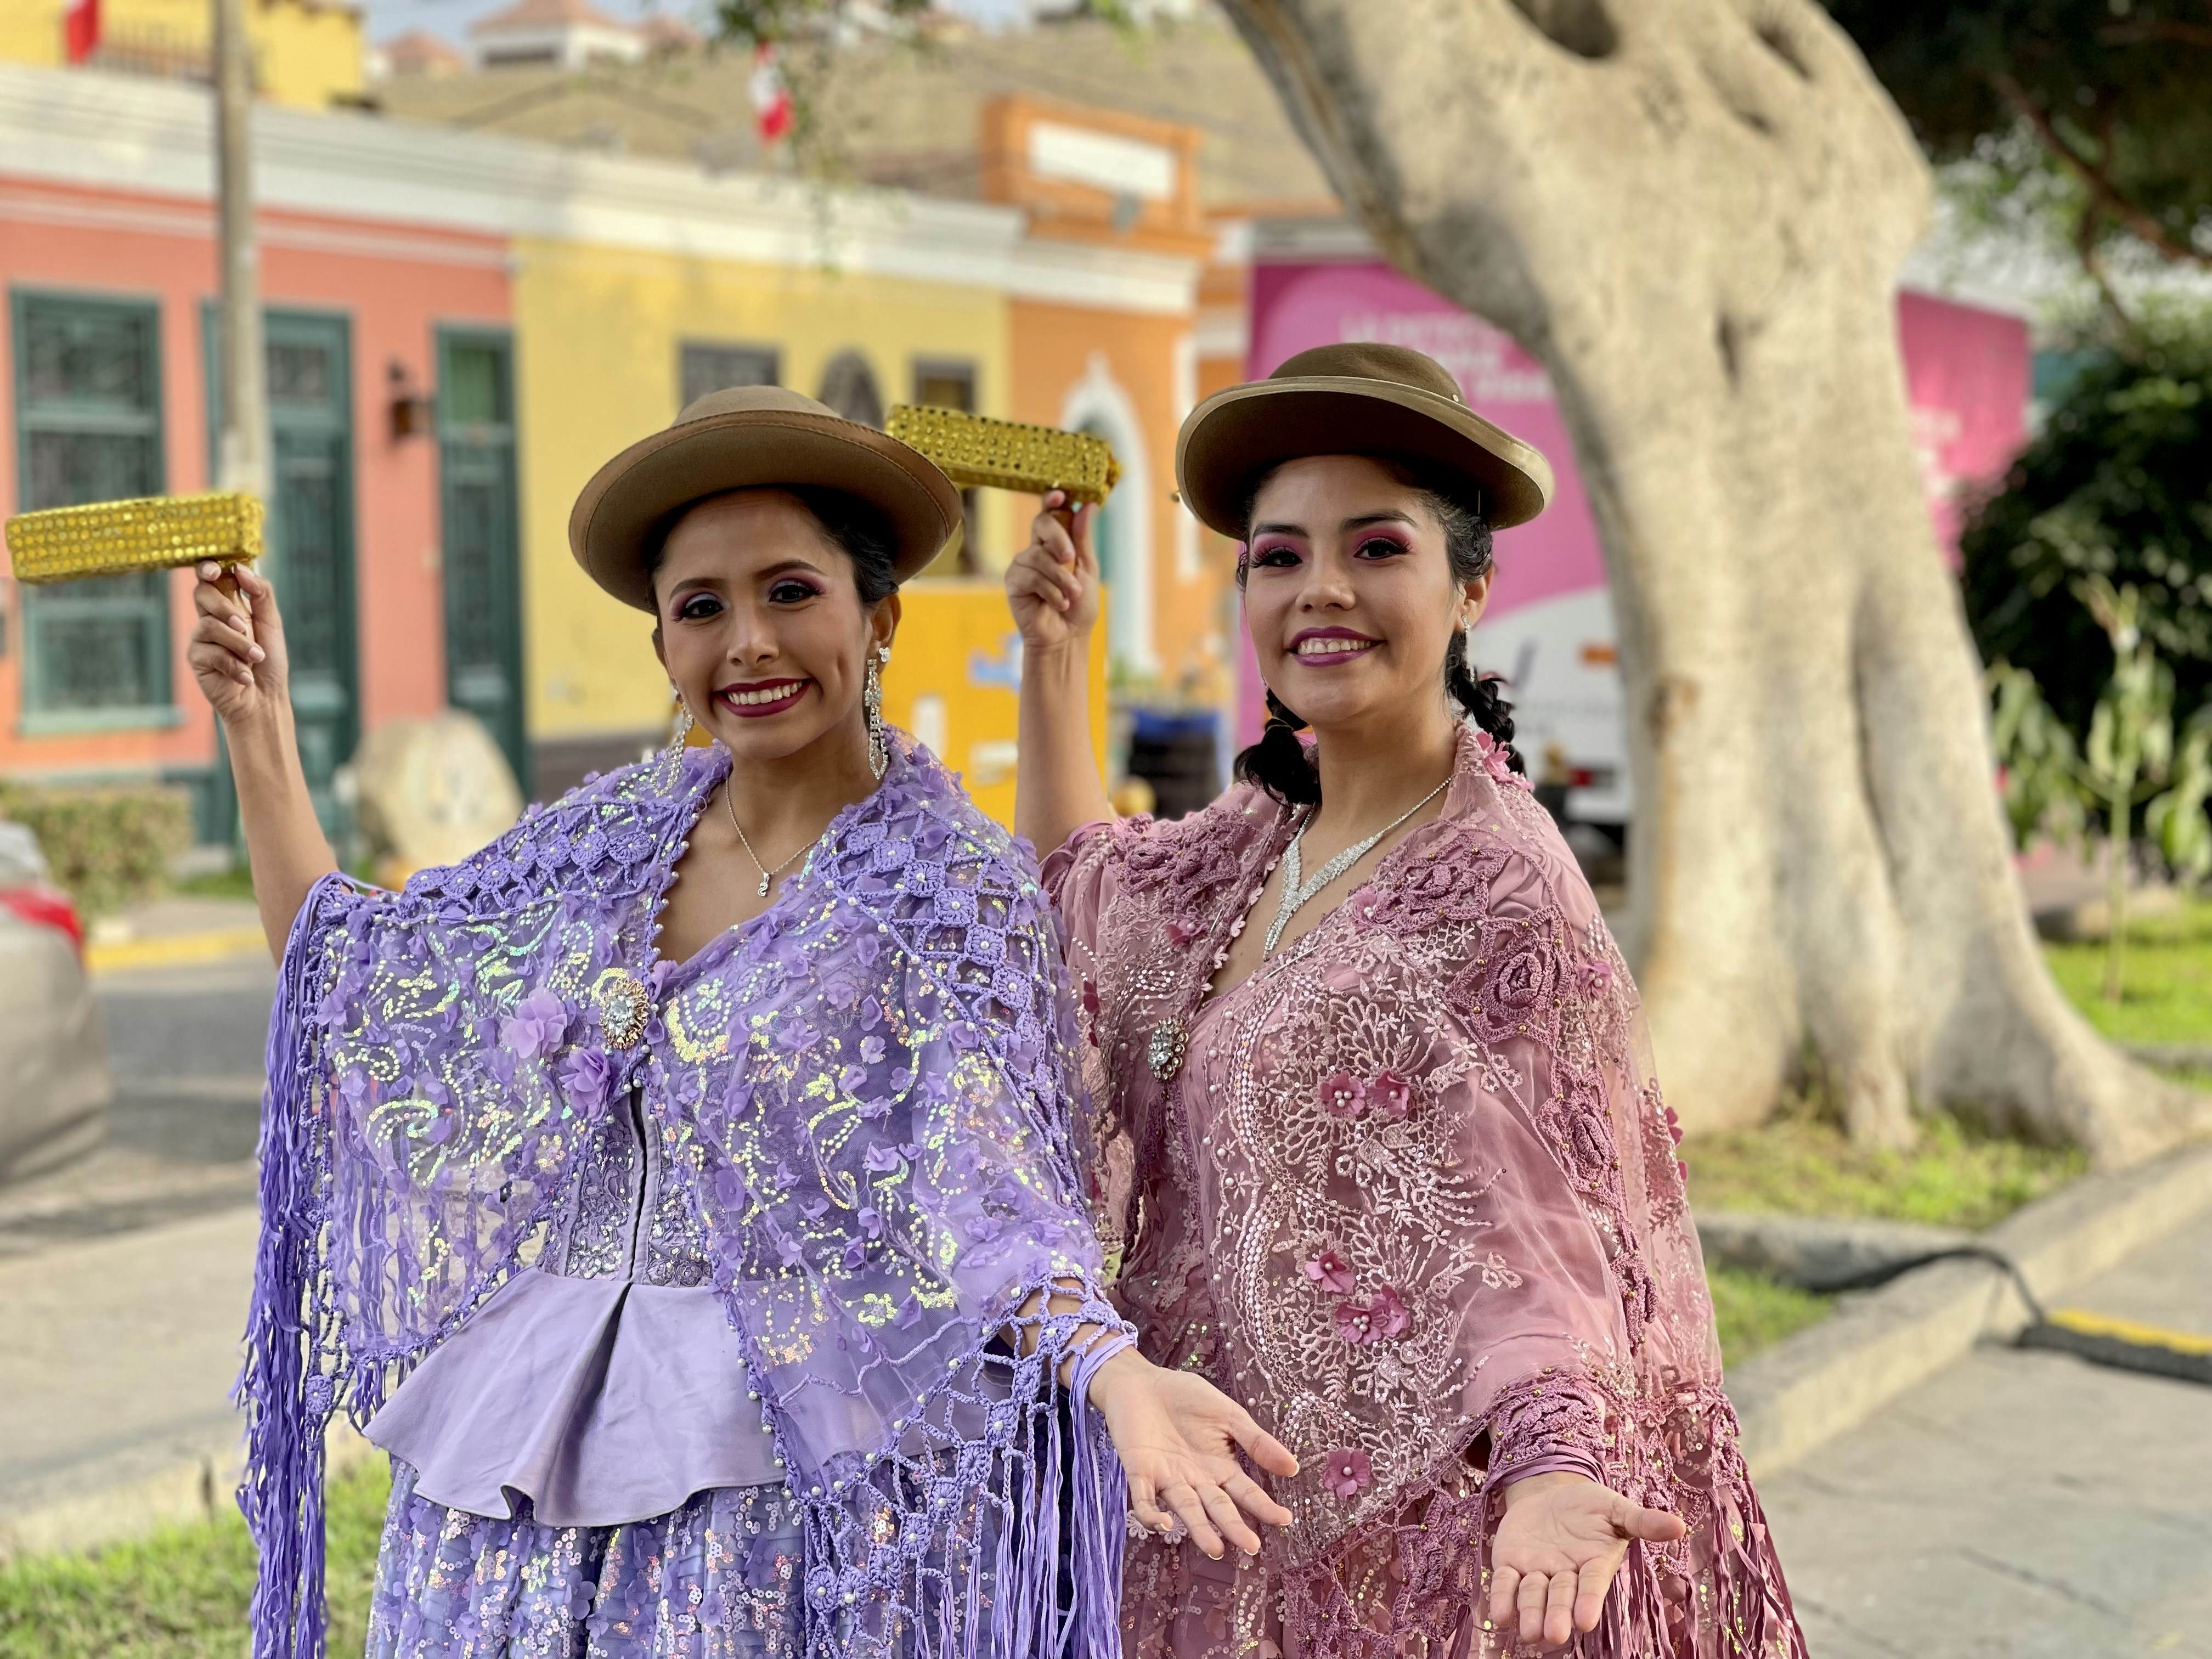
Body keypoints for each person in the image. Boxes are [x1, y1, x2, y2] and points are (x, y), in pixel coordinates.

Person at [191, 385, 1296, 1659]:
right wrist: (258, 726)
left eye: (791, 592)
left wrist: (1112, 1371)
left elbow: (1000, 1200)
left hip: (781, 1513)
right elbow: (357, 979)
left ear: (880, 618)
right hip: (513, 1486)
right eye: (700, 608)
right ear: (663, 645)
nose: (750, 644)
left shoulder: (953, 886)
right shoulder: (609, 843)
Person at [1005, 345, 1805, 1657]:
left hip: (1394, 1560)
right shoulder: (1259, 841)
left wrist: (1552, 1465)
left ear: (1471, 586)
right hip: (1203, 1510)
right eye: (1279, 556)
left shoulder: (1503, 893)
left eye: (1377, 549)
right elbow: (1081, 894)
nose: (1322, 590)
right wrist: (1055, 657)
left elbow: (1553, 1236)